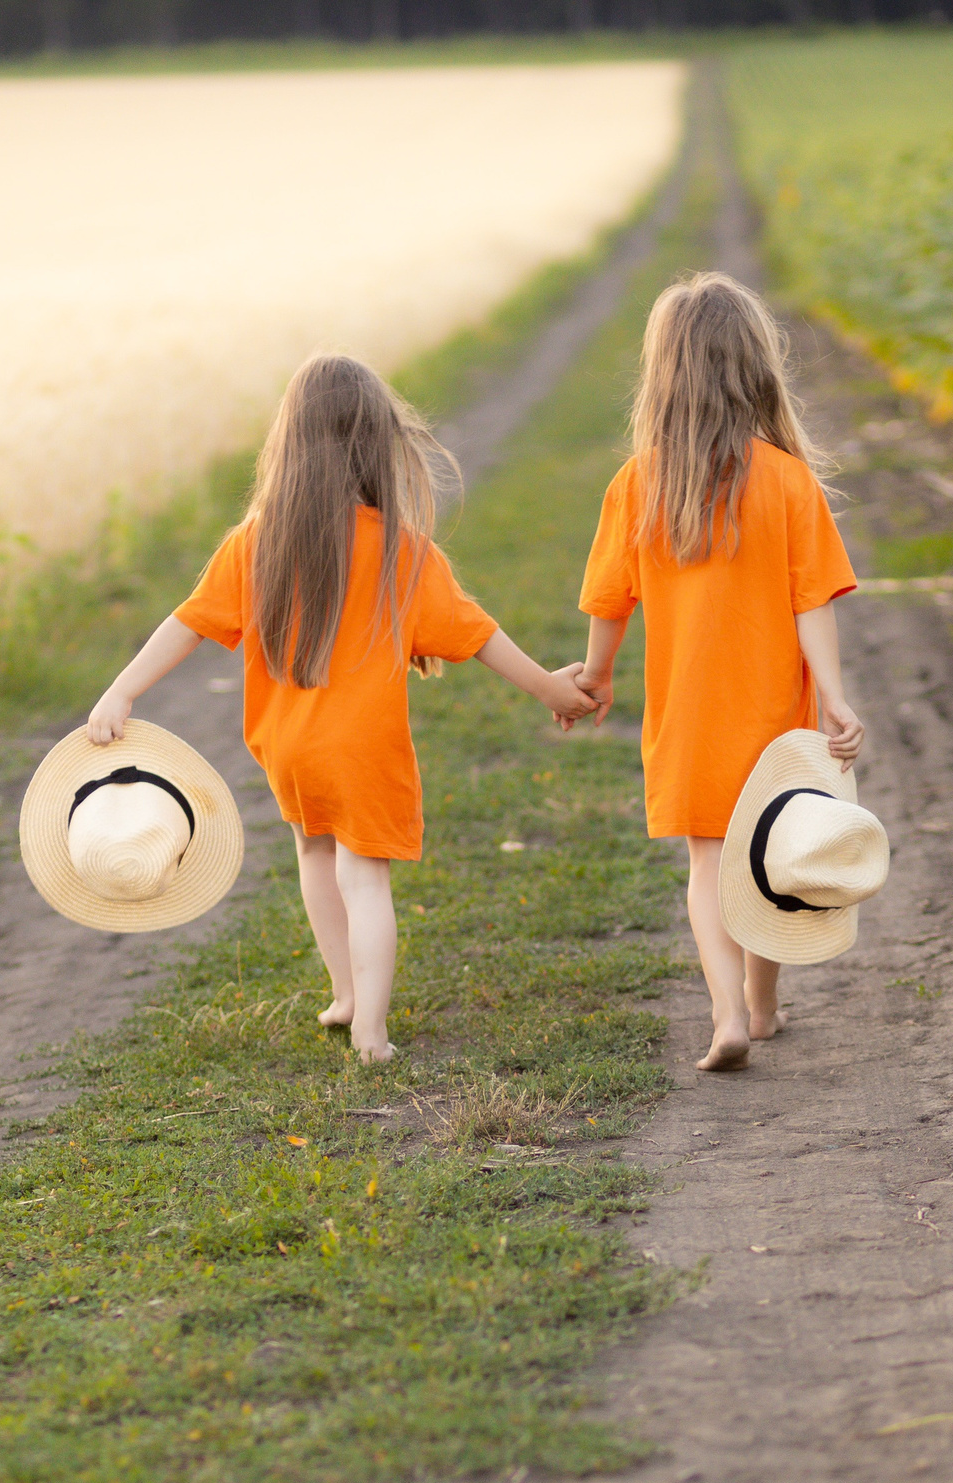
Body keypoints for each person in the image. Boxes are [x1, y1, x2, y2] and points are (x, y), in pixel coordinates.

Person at [87, 353, 596, 1063]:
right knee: (366, 877)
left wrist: (123, 688)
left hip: (289, 749)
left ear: (288, 444)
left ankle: (345, 995)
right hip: (364, 747)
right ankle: (372, 1031)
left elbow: (188, 621)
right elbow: (479, 637)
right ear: (377, 447)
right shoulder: (402, 551)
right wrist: (550, 687)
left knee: (313, 852)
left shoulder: (257, 541)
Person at [573, 272, 863, 1073]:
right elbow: (815, 603)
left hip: (688, 716)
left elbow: (608, 603)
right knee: (772, 853)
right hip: (774, 712)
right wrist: (834, 698)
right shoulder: (788, 481)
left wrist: (596, 679)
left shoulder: (640, 484)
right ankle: (765, 1008)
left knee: (708, 864)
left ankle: (727, 1012)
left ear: (663, 375)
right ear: (757, 369)